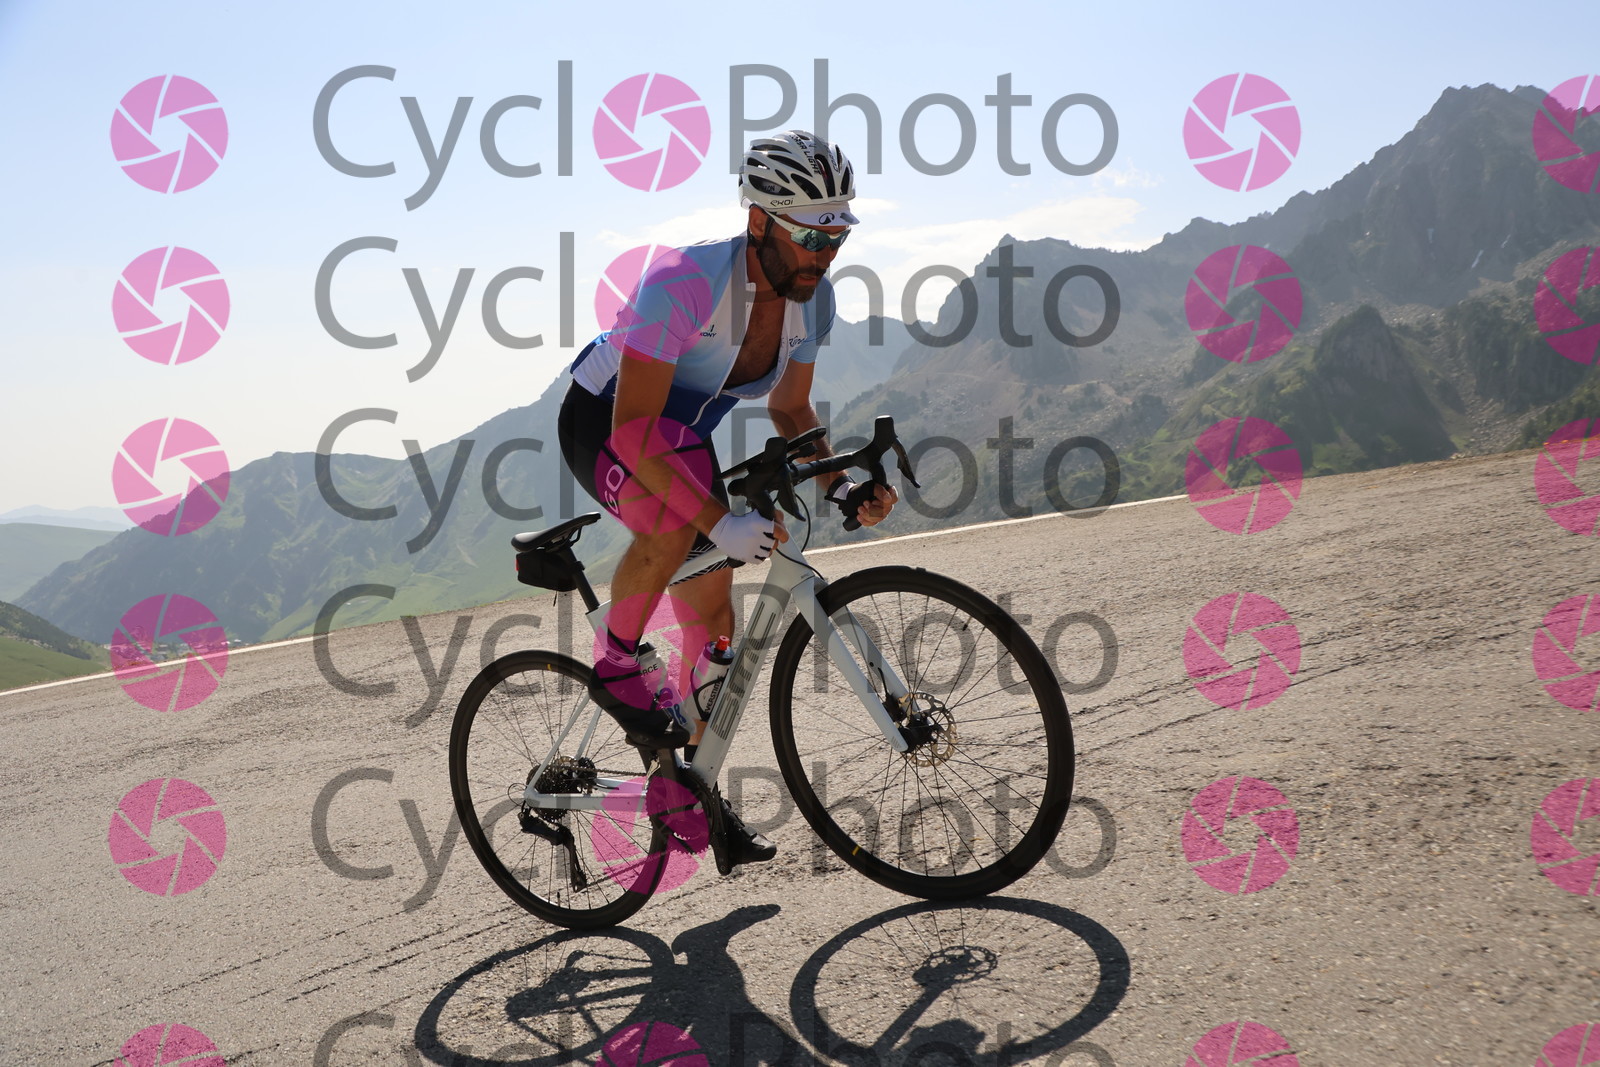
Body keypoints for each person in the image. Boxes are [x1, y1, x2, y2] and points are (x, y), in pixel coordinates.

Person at [557, 131, 898, 864]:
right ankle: (616, 661)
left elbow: (791, 409)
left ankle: (687, 787)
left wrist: (841, 483)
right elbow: (634, 429)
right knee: (676, 527)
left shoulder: (814, 300)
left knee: (714, 618)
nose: (825, 255)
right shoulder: (681, 282)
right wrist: (717, 521)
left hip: (681, 438)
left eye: (837, 236)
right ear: (759, 222)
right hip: (609, 420)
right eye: (811, 237)